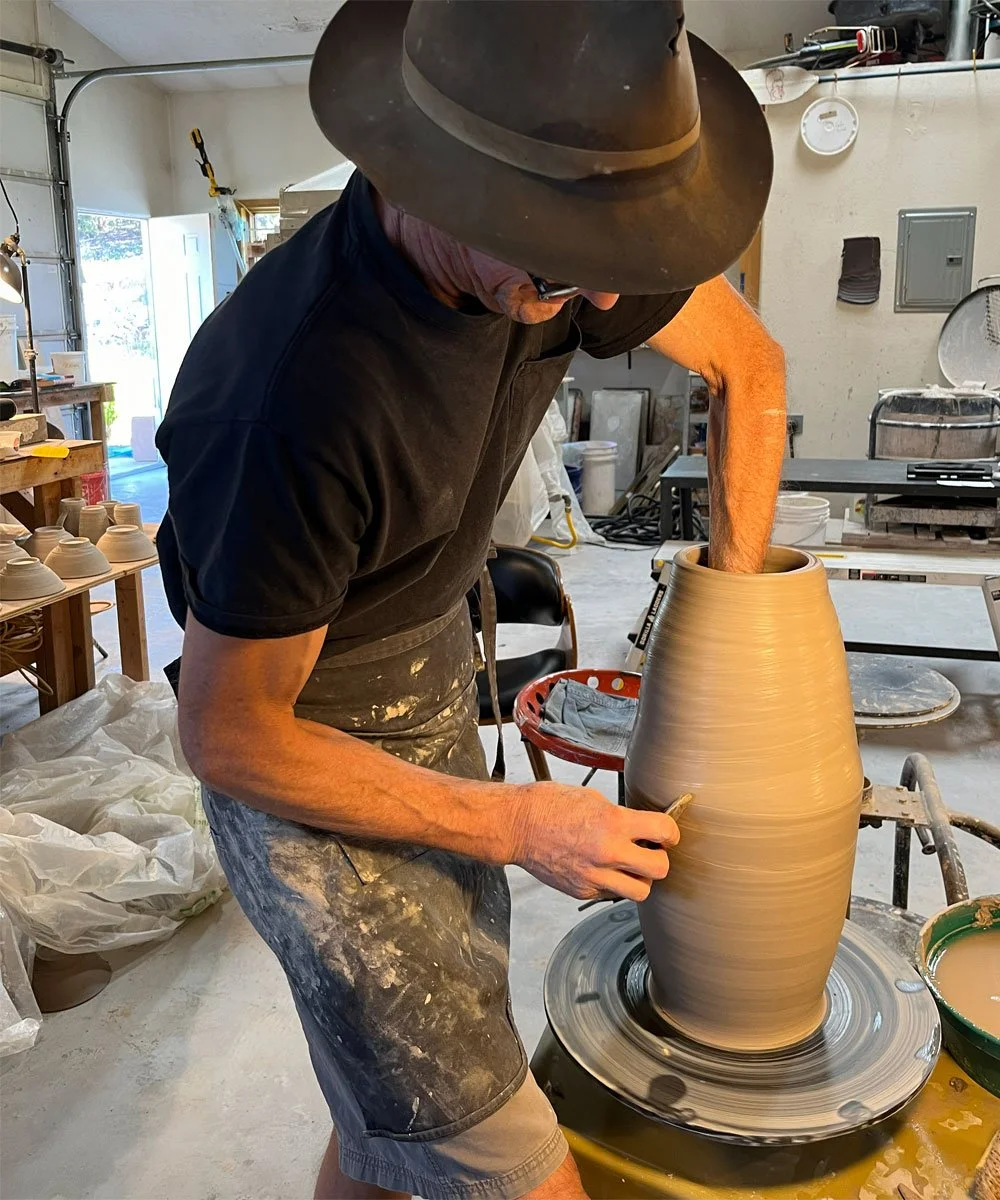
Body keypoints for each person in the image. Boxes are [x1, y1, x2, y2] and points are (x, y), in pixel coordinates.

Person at [155, 3, 786, 1197]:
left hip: (429, 663)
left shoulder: (568, 257)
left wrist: (745, 618)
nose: (602, 306)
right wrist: (515, 822)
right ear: (434, 180)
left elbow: (748, 366)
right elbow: (228, 736)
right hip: (297, 740)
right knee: (481, 1127)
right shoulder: (287, 397)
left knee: (396, 1101)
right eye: (560, 269)